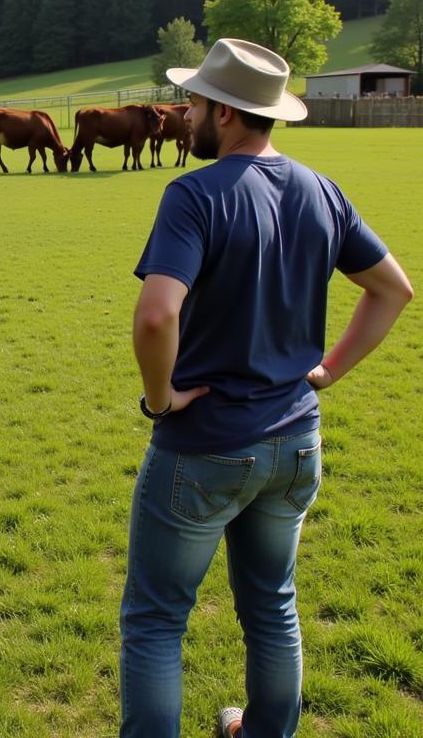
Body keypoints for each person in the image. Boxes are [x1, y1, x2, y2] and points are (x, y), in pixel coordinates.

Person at [120, 39, 413, 738]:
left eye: (192, 101)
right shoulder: (321, 190)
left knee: (157, 619)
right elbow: (393, 290)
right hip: (296, 445)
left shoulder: (194, 193)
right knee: (272, 605)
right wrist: (328, 371)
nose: (184, 112)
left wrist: (160, 400)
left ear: (223, 113)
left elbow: (158, 313)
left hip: (207, 446)